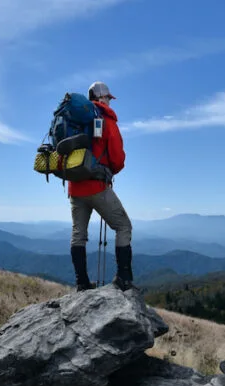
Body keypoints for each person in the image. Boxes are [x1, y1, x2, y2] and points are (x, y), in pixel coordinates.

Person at [68, 81, 134, 292]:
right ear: (103, 97)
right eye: (108, 98)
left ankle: (81, 283)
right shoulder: (106, 119)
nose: (109, 102)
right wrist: (110, 169)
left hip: (74, 185)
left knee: (79, 234)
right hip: (96, 186)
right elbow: (117, 158)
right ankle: (123, 277)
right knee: (123, 227)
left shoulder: (76, 119)